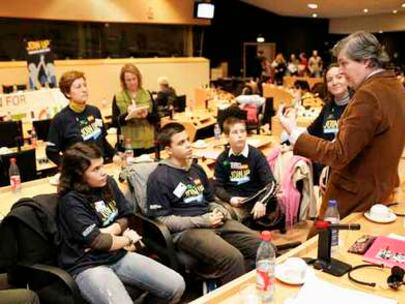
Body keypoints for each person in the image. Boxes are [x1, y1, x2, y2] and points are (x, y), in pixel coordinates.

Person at [278, 31, 405, 219]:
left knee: (322, 246)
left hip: (354, 197)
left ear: (366, 61)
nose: (341, 72)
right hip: (379, 189)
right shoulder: (395, 86)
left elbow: (338, 154)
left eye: (344, 63)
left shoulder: (368, 95)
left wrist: (293, 132)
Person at [57, 142, 185, 304]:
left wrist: (108, 231)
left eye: (102, 166)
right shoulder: (71, 201)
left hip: (116, 256)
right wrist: (128, 239)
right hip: (87, 266)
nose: (103, 173)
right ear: (78, 175)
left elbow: (127, 216)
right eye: (95, 169)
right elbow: (100, 242)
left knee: (176, 286)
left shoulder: (108, 183)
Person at [146, 123, 263, 286]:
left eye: (188, 140)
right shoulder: (159, 178)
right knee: (233, 258)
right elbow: (163, 220)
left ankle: (250, 287)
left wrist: (220, 210)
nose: (188, 145)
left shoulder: (197, 169)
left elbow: (211, 200)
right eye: (181, 143)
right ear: (168, 150)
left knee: (262, 246)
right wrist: (204, 220)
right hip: (187, 231)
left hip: (213, 221)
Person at [213, 117, 278, 228]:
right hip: (231, 202)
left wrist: (262, 202)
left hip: (252, 202)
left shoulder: (256, 155)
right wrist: (230, 199)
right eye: (235, 132)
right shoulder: (222, 158)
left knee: (225, 222)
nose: (240, 135)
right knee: (213, 215)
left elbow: (271, 184)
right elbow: (217, 186)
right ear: (226, 137)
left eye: (242, 131)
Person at [46, 71, 115, 166]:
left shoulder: (94, 112)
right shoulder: (60, 119)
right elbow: (51, 152)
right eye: (78, 87)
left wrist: (115, 154)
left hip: (99, 168)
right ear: (67, 93)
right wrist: (69, 168)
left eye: (85, 85)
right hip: (79, 174)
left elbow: (102, 140)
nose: (84, 89)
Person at [306, 64, 351, 184]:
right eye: (330, 80)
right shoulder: (328, 107)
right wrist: (289, 137)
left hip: (346, 170)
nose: (334, 82)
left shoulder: (357, 105)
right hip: (324, 167)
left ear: (347, 78)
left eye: (339, 77)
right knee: (330, 203)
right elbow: (310, 131)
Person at [112, 64, 157, 156]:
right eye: (128, 80)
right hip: (128, 145)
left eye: (134, 79)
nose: (132, 82)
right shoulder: (118, 97)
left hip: (148, 144)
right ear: (123, 81)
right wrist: (127, 115)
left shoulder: (147, 94)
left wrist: (147, 115)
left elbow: (157, 118)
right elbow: (114, 123)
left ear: (138, 79)